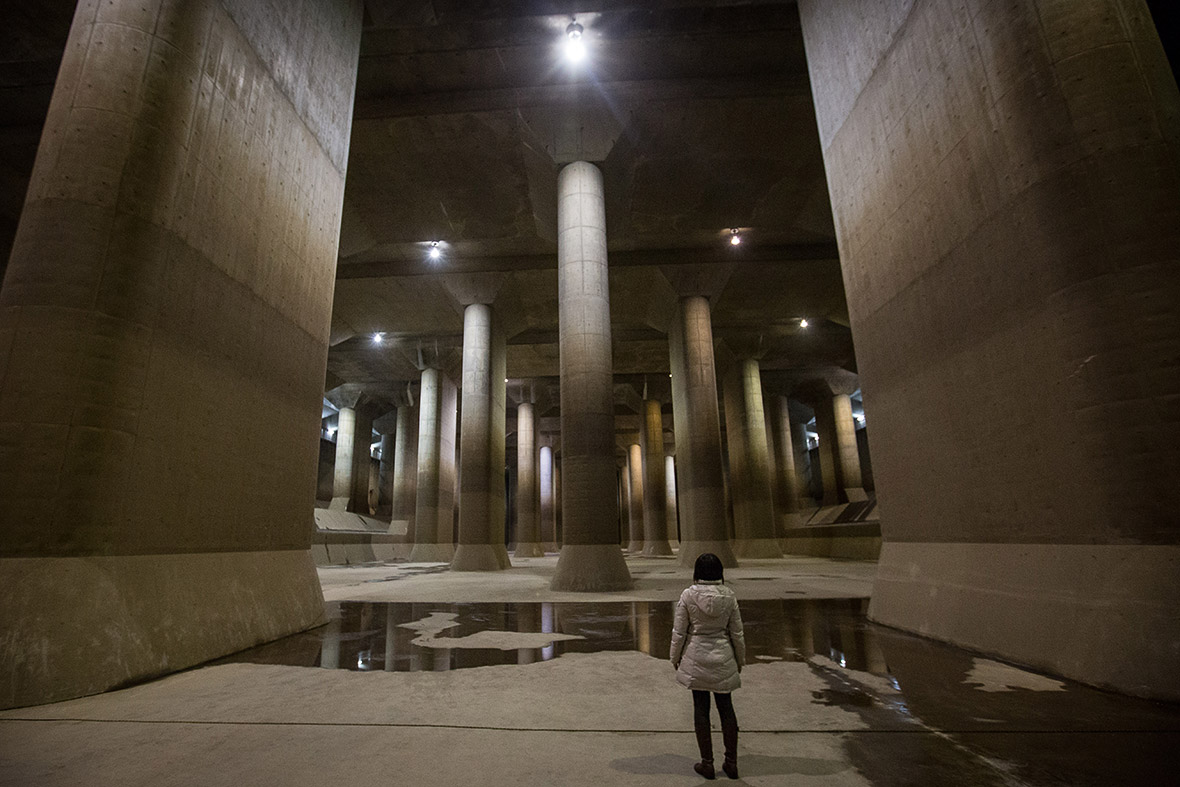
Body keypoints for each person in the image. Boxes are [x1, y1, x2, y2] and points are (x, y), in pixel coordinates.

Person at [669, 552, 746, 780]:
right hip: (723, 656)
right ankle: (731, 763)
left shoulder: (688, 595)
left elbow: (679, 632)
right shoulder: (729, 597)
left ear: (697, 573)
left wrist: (674, 657)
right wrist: (740, 659)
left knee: (701, 709)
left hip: (696, 657)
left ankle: (707, 763)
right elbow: (737, 633)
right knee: (726, 709)